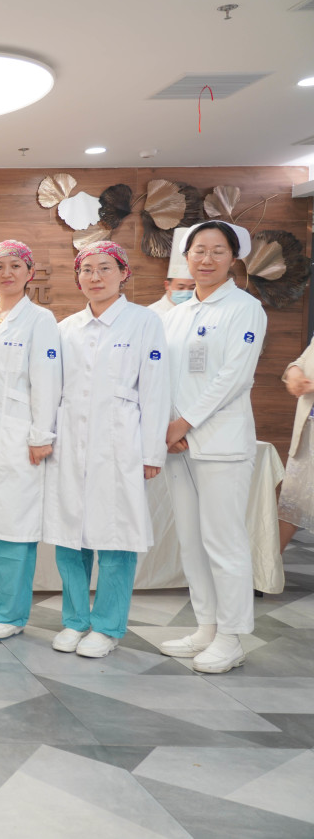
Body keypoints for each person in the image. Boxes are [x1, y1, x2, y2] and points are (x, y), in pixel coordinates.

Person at [43, 241, 170, 658]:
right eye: (86, 270)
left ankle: (108, 626)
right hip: (70, 444)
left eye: (104, 269)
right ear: (77, 278)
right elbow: (51, 389)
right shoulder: (66, 328)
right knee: (70, 537)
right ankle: (75, 620)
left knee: (117, 536)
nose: (95, 277)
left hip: (120, 444)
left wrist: (151, 453)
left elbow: (155, 390)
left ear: (123, 273)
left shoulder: (143, 322)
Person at [159, 221, 266, 673]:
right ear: (186, 257)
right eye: (198, 250)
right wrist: (168, 427)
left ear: (233, 258)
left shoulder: (245, 309)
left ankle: (231, 636)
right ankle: (206, 626)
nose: (206, 259)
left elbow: (234, 377)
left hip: (220, 443)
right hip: (178, 445)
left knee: (224, 542)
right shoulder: (177, 314)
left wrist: (183, 421)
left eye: (217, 251)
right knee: (191, 541)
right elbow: (162, 376)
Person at [0, 240, 62, 641]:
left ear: (29, 273)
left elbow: (46, 381)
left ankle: (11, 614)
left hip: (19, 440)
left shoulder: (40, 320)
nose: (7, 273)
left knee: (14, 526)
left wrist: (40, 435)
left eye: (15, 266)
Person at [279, 335, 314, 553]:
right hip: (307, 431)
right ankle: (268, 568)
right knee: (291, 501)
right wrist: (294, 371)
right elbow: (303, 360)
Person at [147, 232, 197, 317]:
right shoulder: (151, 314)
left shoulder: (201, 310)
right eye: (181, 287)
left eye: (192, 288)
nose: (186, 292)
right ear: (167, 285)